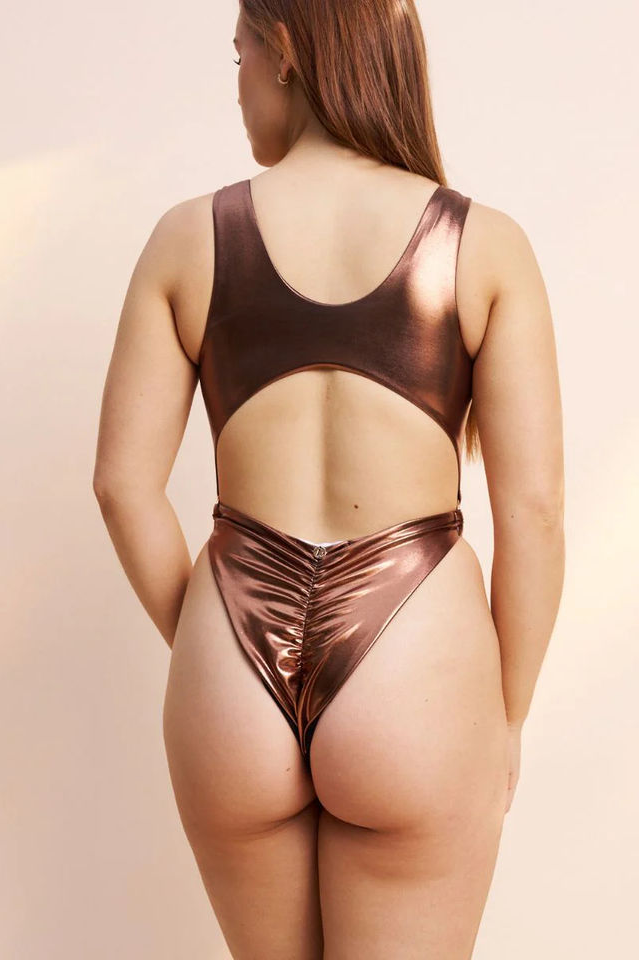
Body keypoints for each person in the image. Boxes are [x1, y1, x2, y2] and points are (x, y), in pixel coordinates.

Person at [93, 1, 565, 957]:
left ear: (285, 53)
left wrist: (211, 646)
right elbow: (536, 511)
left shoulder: (188, 238)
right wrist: (505, 716)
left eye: (237, 55)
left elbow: (121, 486)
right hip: (416, 655)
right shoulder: (483, 244)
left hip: (232, 643)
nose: (234, 86)